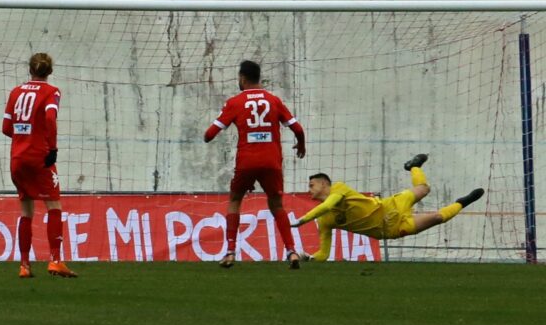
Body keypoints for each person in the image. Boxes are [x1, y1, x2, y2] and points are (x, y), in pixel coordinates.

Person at [204, 60, 306, 269]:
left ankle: (230, 252)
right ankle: (292, 251)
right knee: (277, 205)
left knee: (234, 201)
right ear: (259, 77)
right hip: (272, 162)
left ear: (242, 77)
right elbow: (298, 129)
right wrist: (301, 145)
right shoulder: (274, 100)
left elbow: (209, 135)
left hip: (246, 162)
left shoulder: (235, 102)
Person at [291, 154, 485, 261]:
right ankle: (463, 202)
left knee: (424, 189)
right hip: (389, 229)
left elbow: (329, 204)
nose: (309, 190)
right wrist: (309, 258)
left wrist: (303, 219)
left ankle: (414, 167)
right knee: (436, 218)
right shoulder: (323, 221)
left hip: (389, 206)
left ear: (325, 184)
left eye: (312, 185)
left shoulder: (339, 189)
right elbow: (323, 254)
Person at [2, 53, 77, 278]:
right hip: (39, 157)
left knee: (26, 210)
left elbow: (6, 127)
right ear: (50, 71)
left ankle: (24, 266)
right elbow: (50, 118)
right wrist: (51, 148)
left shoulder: (16, 92)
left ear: (30, 69)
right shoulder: (51, 92)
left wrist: (23, 136)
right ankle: (55, 260)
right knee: (54, 206)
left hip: (17, 158)